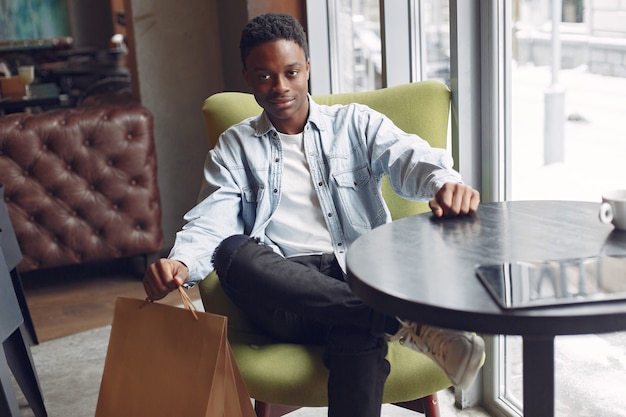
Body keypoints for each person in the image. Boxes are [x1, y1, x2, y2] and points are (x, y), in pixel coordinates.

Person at [144, 13, 484, 417]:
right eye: (265, 76)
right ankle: (400, 320)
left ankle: (377, 318)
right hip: (284, 292)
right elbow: (212, 219)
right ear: (248, 78)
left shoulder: (355, 124)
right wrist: (179, 261)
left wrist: (443, 183)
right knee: (233, 251)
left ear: (307, 66)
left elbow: (410, 158)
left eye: (291, 71)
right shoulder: (235, 146)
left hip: (359, 275)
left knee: (356, 329)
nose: (281, 87)